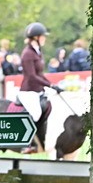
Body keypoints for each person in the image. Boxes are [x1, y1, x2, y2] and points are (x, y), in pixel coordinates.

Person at [18, 22, 61, 153]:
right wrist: (49, 85)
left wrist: (52, 85)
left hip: (38, 90)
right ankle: (27, 143)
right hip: (28, 91)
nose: (44, 39)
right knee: (35, 113)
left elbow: (40, 74)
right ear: (36, 37)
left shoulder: (37, 52)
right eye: (43, 36)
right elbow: (31, 76)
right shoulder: (27, 54)